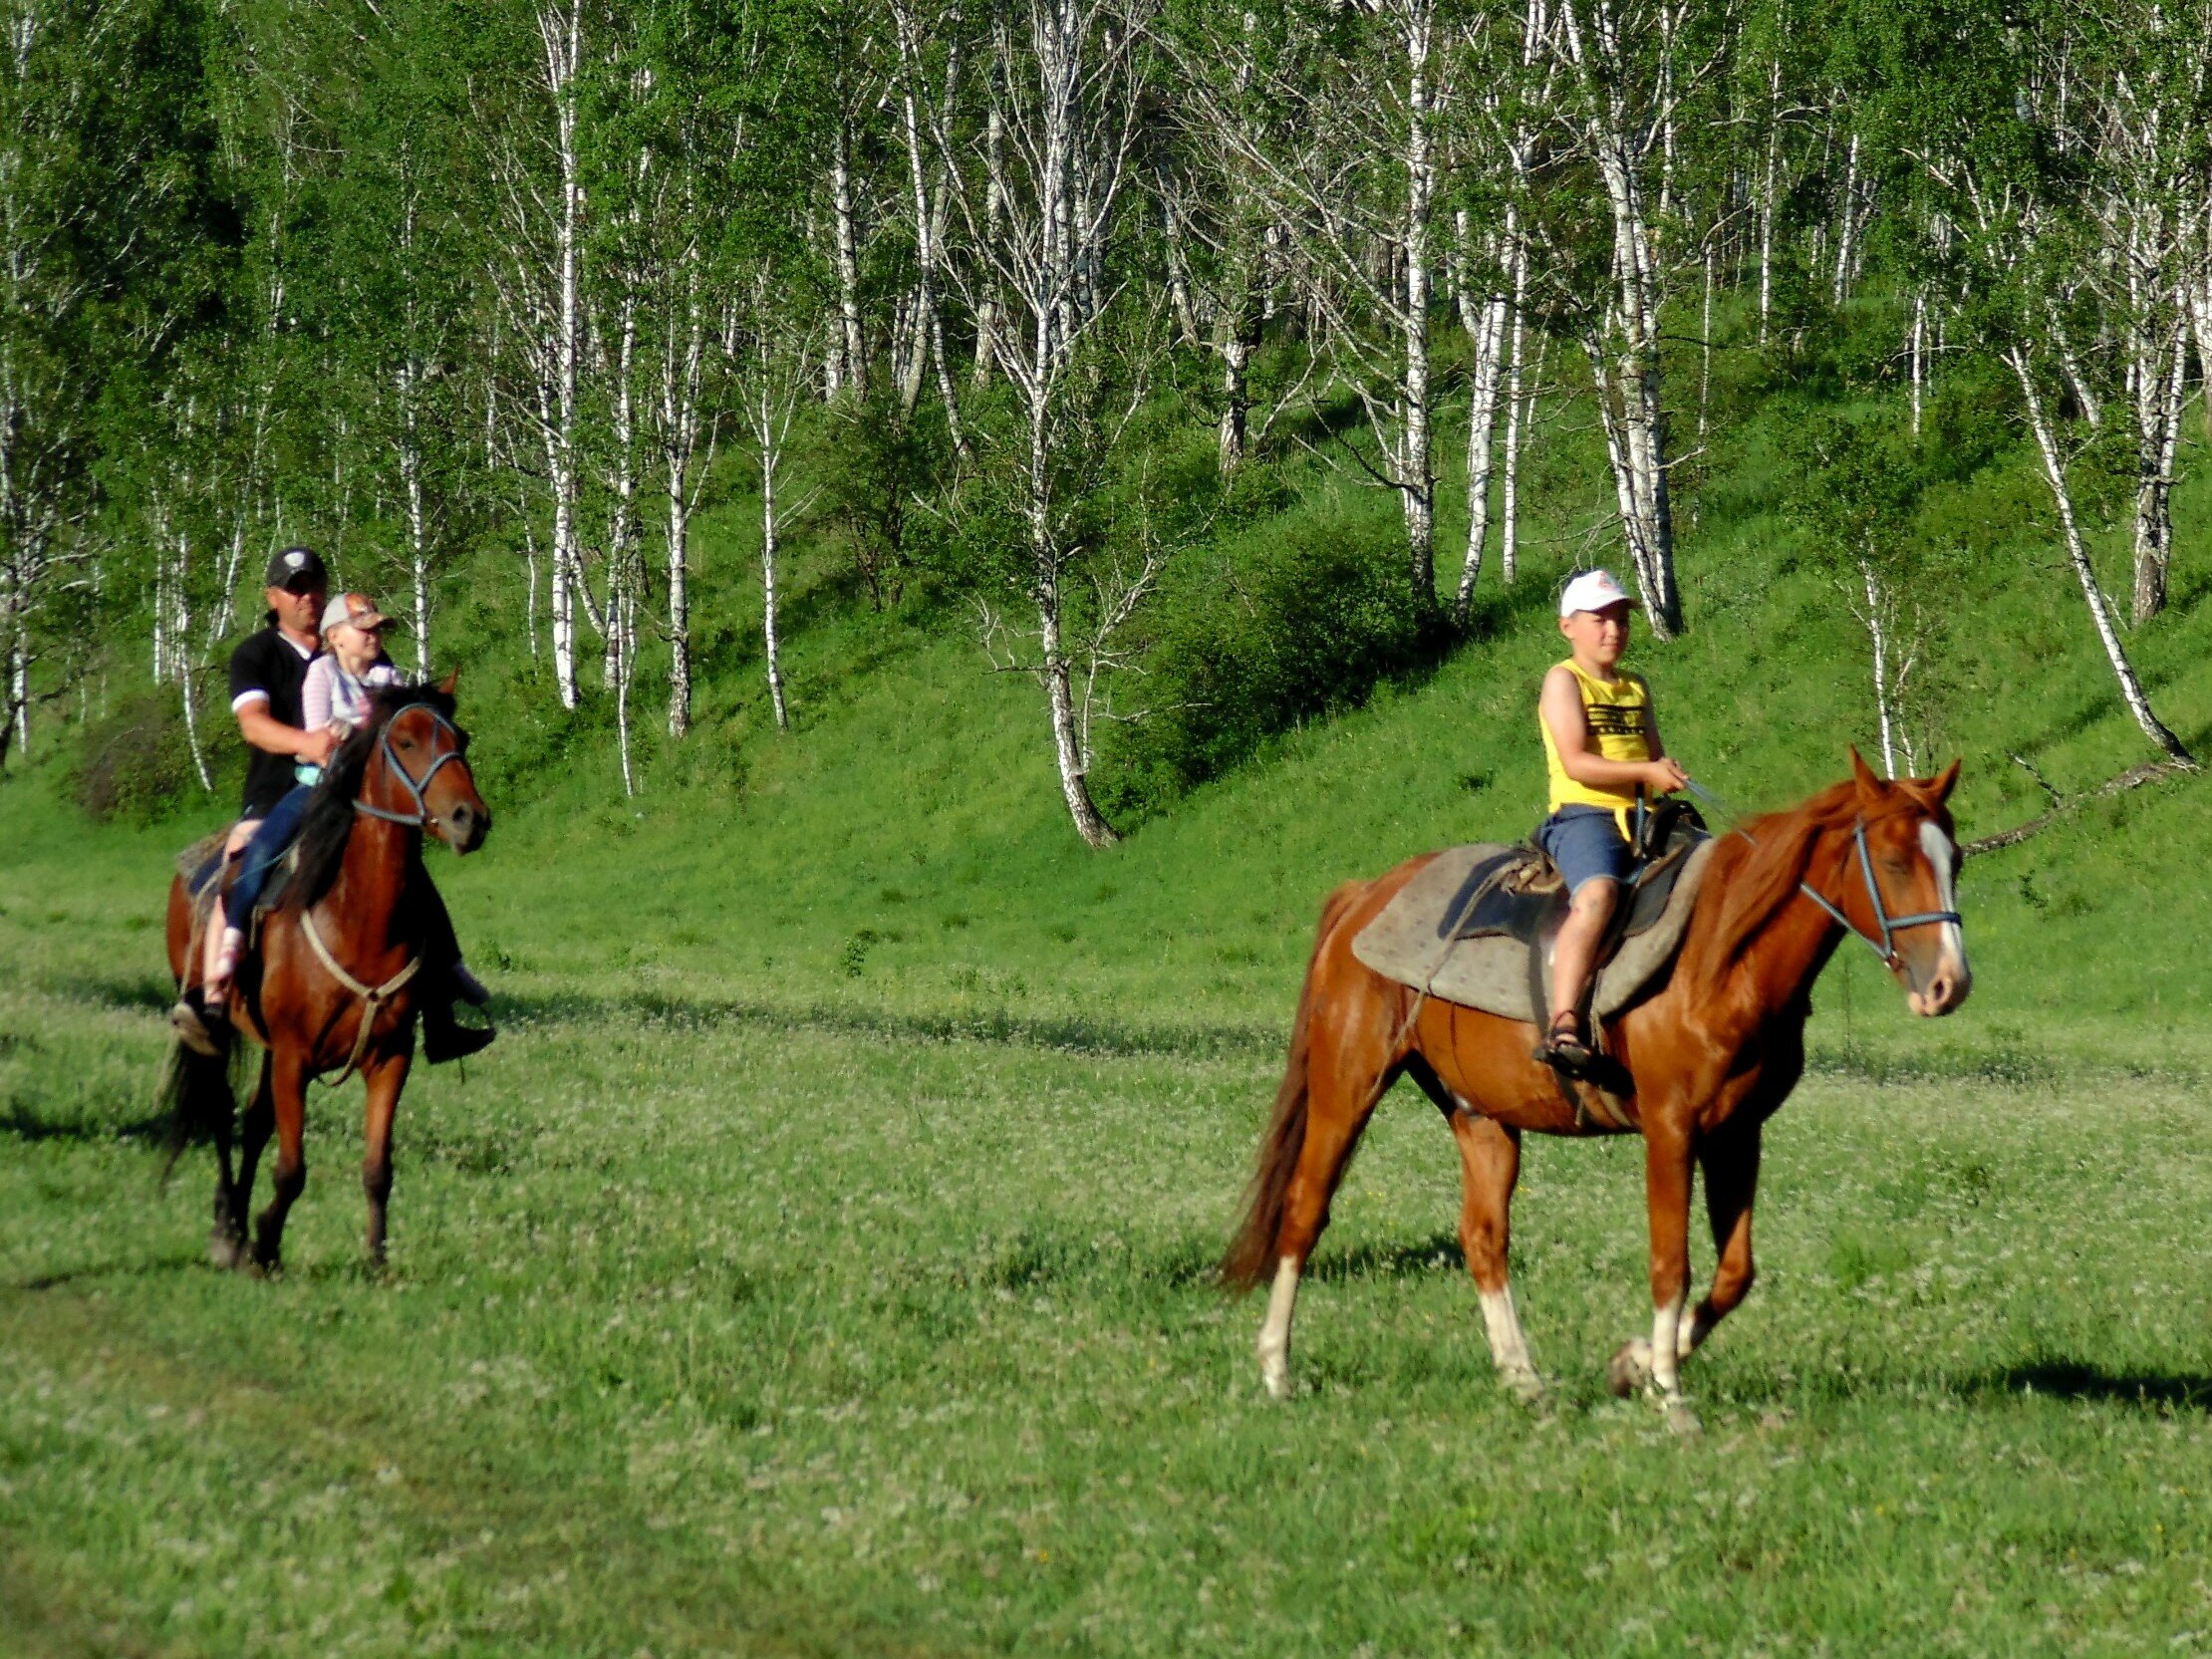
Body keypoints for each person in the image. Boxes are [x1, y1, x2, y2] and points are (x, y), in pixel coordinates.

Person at [1532, 569, 1690, 1075]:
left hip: (1643, 816)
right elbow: (1577, 762)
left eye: (1621, 619)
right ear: (1567, 627)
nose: (1613, 630)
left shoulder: (1635, 686)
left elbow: (1653, 754)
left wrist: (1664, 775)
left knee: (1717, 873)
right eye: (1599, 619)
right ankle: (1562, 1023)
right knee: (1598, 895)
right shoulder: (1564, 680)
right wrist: (1646, 770)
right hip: (1585, 814)